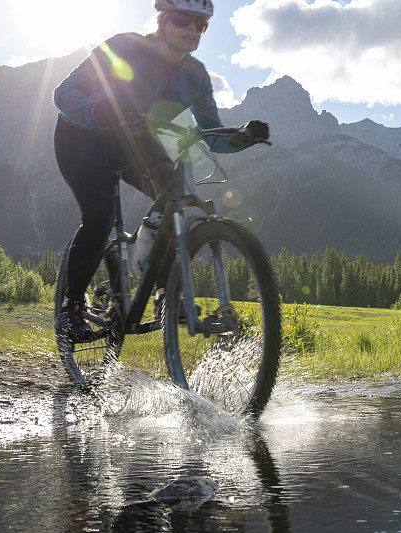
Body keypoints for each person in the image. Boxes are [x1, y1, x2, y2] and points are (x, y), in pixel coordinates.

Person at [53, 0, 268, 342]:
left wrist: (244, 137)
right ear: (163, 20)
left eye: (201, 25)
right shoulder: (125, 46)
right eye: (184, 20)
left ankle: (166, 293)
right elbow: (64, 93)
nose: (192, 30)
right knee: (100, 215)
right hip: (83, 137)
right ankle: (72, 307)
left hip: (134, 142)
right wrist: (102, 110)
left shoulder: (195, 75)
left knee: (177, 198)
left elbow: (213, 135)